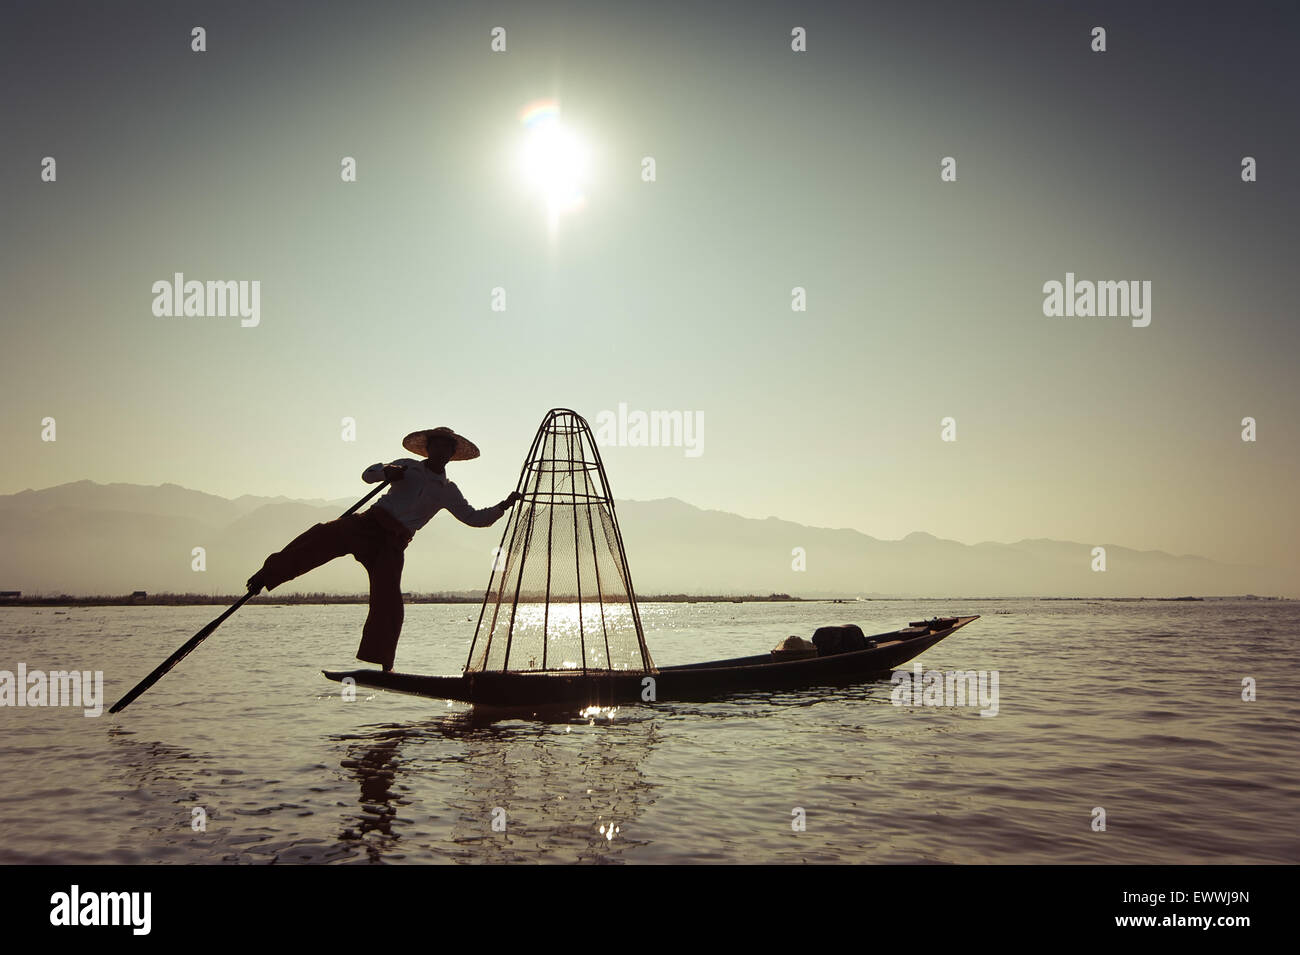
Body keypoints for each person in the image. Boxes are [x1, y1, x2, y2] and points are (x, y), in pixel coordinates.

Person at [245, 427, 522, 671]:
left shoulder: (448, 490)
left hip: (392, 544)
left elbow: (475, 518)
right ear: (428, 449)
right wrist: (385, 472)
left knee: (388, 602)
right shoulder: (407, 467)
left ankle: (382, 660)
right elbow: (368, 475)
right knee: (320, 537)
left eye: (446, 447)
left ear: (451, 454)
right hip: (368, 524)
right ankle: (266, 576)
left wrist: (505, 505)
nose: (440, 451)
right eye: (436, 445)